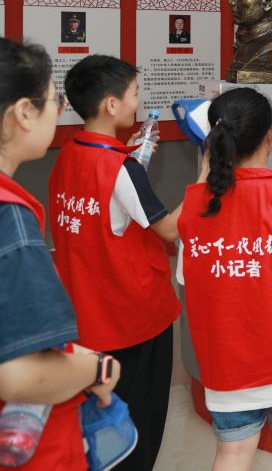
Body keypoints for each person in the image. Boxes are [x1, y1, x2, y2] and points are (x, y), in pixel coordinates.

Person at [177, 87, 272, 471]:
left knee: (232, 451)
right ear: (271, 136)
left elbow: (188, 279)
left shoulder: (193, 203)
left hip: (226, 361)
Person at [50, 55, 182, 471]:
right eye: (134, 94)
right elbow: (170, 230)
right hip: (133, 318)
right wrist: (206, 175)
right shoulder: (121, 168)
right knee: (137, 422)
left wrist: (134, 167)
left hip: (85, 315)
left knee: (96, 422)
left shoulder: (69, 154)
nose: (137, 103)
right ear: (111, 104)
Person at [0, 38, 122, 471]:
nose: (59, 111)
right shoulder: (10, 218)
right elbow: (22, 375)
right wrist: (99, 370)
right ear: (24, 112)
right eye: (55, 101)